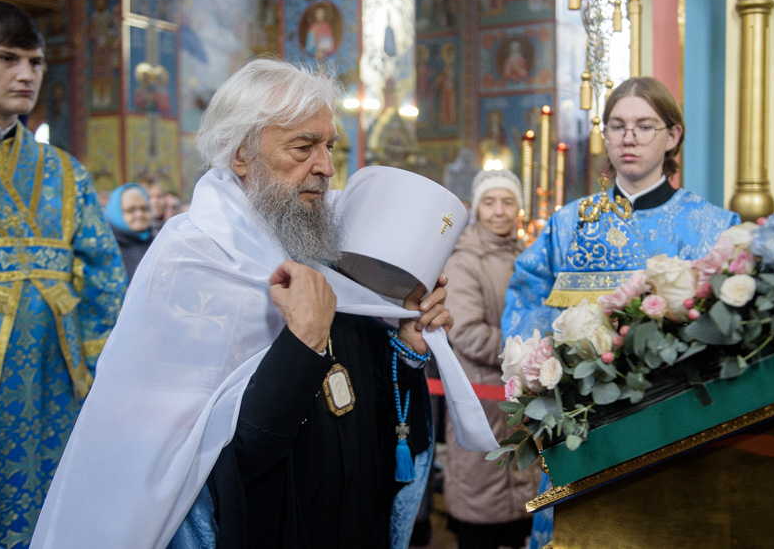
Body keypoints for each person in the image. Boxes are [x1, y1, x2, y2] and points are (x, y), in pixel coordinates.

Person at [32, 58, 459, 548]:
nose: (324, 166)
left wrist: (406, 350)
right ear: (241, 155)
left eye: (329, 147)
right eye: (303, 146)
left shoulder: (325, 249)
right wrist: (302, 344)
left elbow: (372, 412)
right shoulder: (193, 260)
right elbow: (219, 465)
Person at [501, 76, 740, 549]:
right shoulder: (568, 225)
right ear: (605, 136)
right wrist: (539, 369)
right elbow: (526, 298)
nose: (629, 137)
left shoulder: (712, 226)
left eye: (644, 126)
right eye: (618, 126)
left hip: (681, 428)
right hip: (582, 432)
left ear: (672, 137)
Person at [0, 1, 126, 549]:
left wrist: (96, 365)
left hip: (56, 373)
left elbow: (106, 273)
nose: (25, 74)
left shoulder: (62, 169)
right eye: (6, 58)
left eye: (35, 62)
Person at [443, 169, 538, 549]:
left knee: (521, 508)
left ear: (519, 208)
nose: (499, 211)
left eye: (508, 201)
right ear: (476, 208)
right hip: (482, 399)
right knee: (482, 501)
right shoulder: (464, 260)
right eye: (489, 202)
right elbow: (465, 331)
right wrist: (531, 349)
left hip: (523, 396)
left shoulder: (528, 257)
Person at [105, 183, 154, 281]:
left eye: (144, 209)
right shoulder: (108, 247)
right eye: (131, 210)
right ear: (116, 212)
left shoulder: (157, 242)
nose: (139, 214)